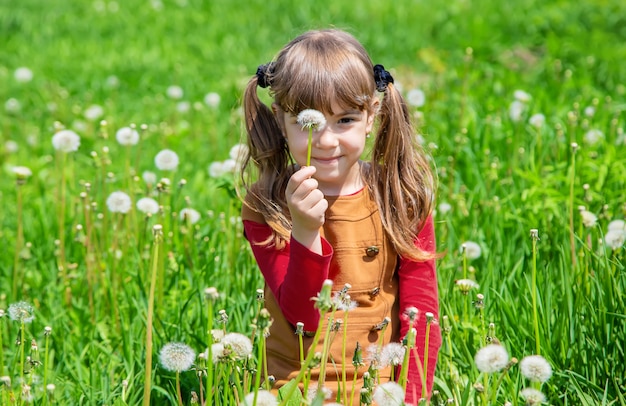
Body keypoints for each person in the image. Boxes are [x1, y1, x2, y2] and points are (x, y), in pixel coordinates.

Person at [239, 28, 441, 404]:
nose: (328, 140)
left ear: (371, 116)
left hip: (377, 390)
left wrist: (411, 398)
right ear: (281, 120)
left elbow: (422, 315)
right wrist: (305, 231)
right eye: (309, 122)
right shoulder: (267, 203)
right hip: (293, 389)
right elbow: (304, 317)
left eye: (345, 120)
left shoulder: (400, 198)